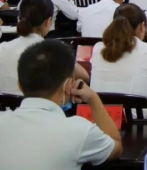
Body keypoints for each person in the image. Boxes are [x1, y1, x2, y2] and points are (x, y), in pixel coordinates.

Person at [0, 40, 122, 169]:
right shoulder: (80, 131)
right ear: (68, 85)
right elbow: (116, 147)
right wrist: (93, 98)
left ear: (20, 86)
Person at [0, 0, 86, 93]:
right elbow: (84, 77)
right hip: (40, 103)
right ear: (48, 22)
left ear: (19, 18)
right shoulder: (55, 50)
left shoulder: (2, 47)